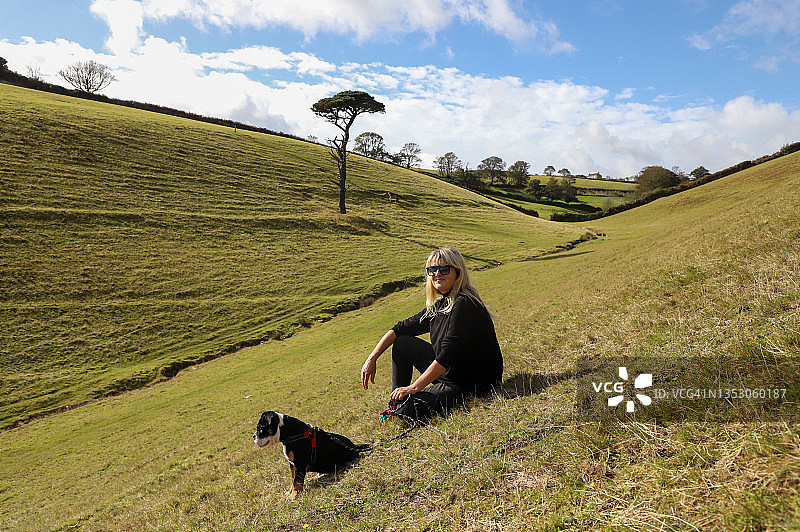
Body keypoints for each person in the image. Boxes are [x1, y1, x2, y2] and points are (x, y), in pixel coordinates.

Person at [360, 247, 503, 420]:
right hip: (452, 373)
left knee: (409, 411)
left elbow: (447, 354)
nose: (437, 274)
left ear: (458, 272)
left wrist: (413, 388)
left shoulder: (464, 303)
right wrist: (372, 358)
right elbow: (399, 329)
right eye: (432, 270)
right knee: (403, 343)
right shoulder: (442, 305)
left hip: (470, 384)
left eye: (444, 269)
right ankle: (396, 404)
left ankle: (399, 407)